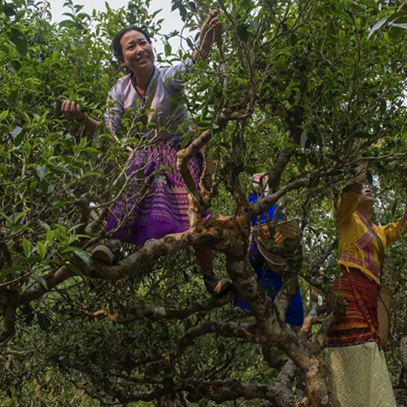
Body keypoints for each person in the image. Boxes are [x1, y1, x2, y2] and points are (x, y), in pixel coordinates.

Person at [61, 11, 230, 296]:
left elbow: (193, 65)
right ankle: (114, 245)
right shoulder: (119, 90)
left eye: (143, 43)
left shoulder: (168, 79)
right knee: (134, 172)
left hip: (181, 157)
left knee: (197, 214)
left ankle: (210, 277)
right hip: (144, 159)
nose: (140, 50)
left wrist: (206, 41)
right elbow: (108, 132)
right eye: (131, 47)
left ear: (151, 46)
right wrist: (80, 118)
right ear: (122, 59)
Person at [326, 168, 407, 407]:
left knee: (368, 345)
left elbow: (406, 223)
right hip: (348, 287)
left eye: (371, 188)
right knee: (351, 343)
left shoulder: (379, 231)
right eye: (364, 188)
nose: (368, 189)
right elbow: (345, 198)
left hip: (368, 292)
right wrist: (359, 174)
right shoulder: (347, 218)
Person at [233, 174, 305, 327]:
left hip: (276, 258)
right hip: (261, 255)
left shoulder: (275, 207)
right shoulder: (252, 204)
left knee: (285, 300)